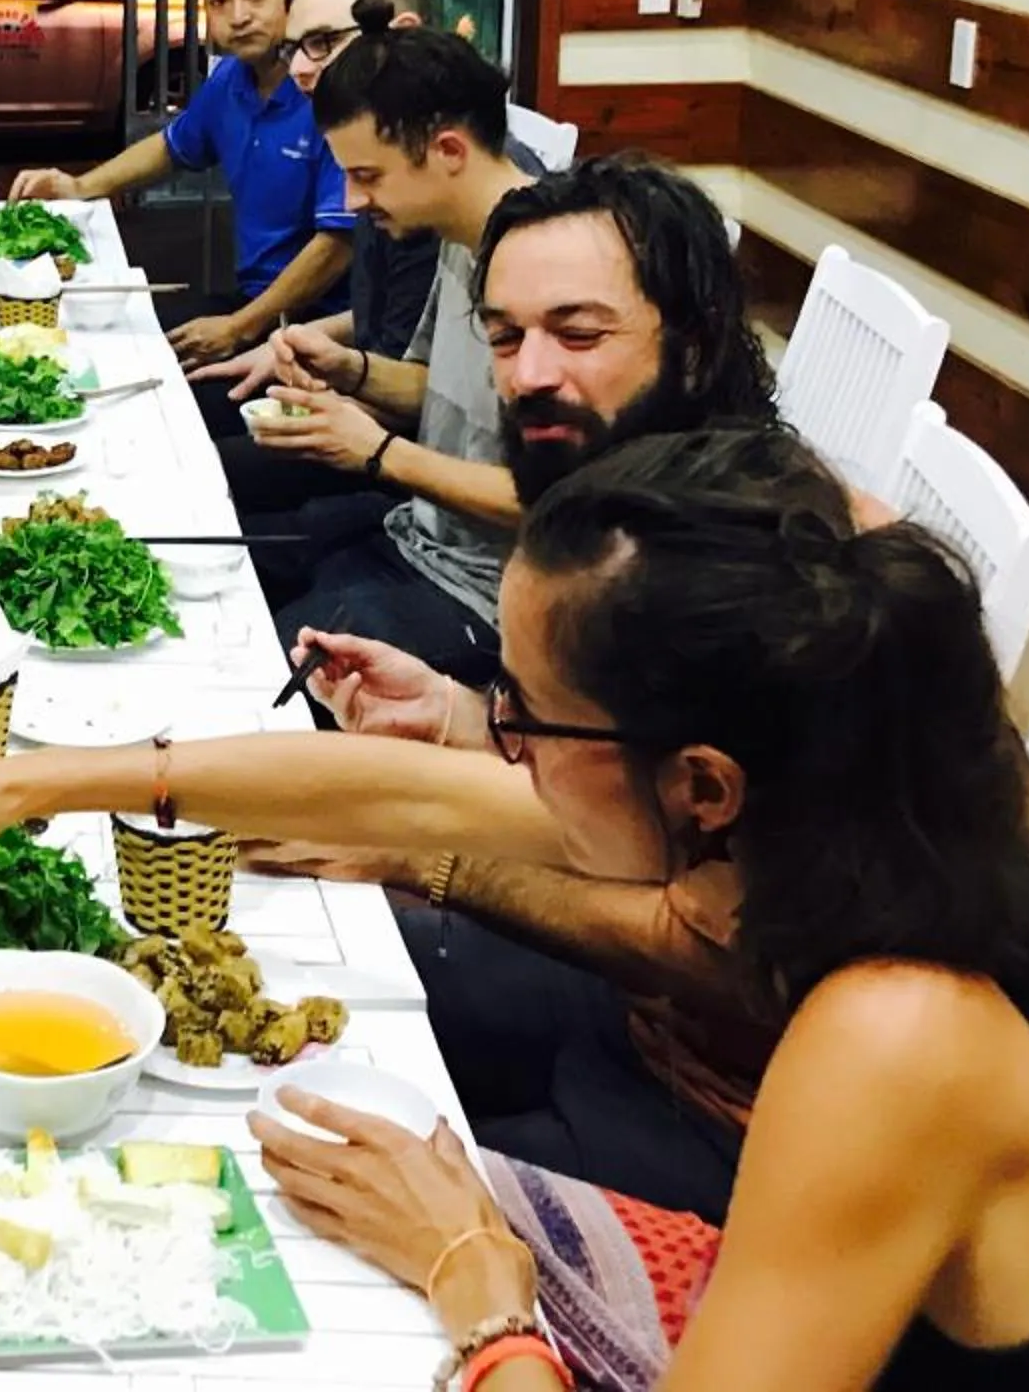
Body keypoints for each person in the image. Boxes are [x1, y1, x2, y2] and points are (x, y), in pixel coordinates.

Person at [0, 429, 1029, 1390]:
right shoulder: (873, 819)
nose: (484, 732)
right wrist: (22, 784)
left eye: (521, 711)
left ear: (699, 781)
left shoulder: (898, 1038)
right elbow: (398, 796)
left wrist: (478, 1281)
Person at [250, 154, 788, 1219]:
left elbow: (721, 945)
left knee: (298, 1174)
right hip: (629, 1019)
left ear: (696, 334)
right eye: (504, 335)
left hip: (728, 1128)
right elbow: (629, 796)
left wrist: (426, 863)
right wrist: (456, 716)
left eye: (579, 335)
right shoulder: (628, 515)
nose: (527, 373)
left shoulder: (767, 571)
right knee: (279, 956)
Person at [231, 23, 538, 676]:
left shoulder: (545, 269)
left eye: (366, 175)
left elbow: (555, 499)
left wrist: (374, 452)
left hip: (494, 596)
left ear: (448, 149)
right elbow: (439, 388)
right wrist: (351, 369)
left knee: (253, 673)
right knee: (218, 567)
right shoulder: (461, 230)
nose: (353, 201)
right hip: (417, 535)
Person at [9, 0, 353, 367]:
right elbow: (172, 146)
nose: (238, 16)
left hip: (319, 334)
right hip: (249, 305)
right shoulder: (232, 77)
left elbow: (338, 244)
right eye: (218, 0)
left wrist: (240, 327)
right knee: (85, 345)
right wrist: (79, 187)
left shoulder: (329, 92)